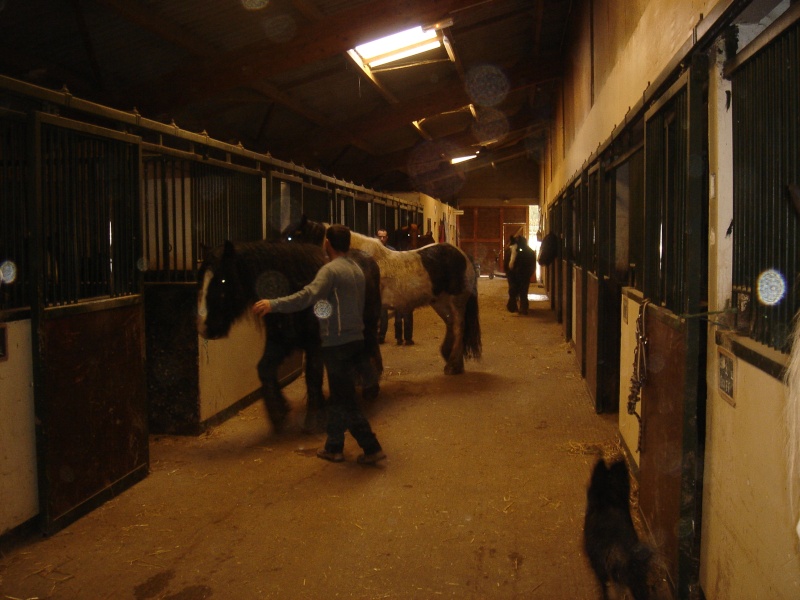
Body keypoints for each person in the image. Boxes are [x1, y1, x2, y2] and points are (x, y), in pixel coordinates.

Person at [253, 225, 386, 465]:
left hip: (337, 344)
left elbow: (307, 296)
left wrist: (274, 304)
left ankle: (371, 446)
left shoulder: (330, 271)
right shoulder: (356, 268)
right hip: (355, 339)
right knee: (338, 398)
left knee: (346, 401)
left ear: (328, 243)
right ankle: (334, 446)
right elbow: (339, 304)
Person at [506, 235, 537, 315]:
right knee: (517, 288)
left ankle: (522, 306)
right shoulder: (529, 252)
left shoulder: (529, 253)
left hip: (523, 272)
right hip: (516, 273)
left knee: (522, 289)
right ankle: (519, 305)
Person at [376, 228, 394, 344]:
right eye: (380, 236)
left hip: (386, 285)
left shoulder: (391, 251)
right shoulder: (371, 250)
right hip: (375, 284)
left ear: (387, 238)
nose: (382, 239)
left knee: (383, 312)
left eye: (384, 237)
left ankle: (381, 335)